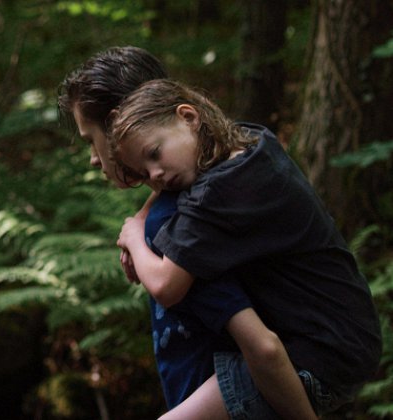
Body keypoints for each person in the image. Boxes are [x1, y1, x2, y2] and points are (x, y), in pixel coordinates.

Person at [59, 47, 317, 419]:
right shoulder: (231, 169)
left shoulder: (184, 227)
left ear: (119, 125)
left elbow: (260, 346)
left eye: (90, 139)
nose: (93, 158)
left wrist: (140, 231)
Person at [111, 78, 382, 418]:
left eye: (154, 154)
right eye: (144, 173)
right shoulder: (252, 143)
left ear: (189, 117)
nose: (156, 175)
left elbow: (166, 286)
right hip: (353, 335)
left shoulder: (216, 196)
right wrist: (144, 212)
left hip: (319, 355)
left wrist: (134, 236)